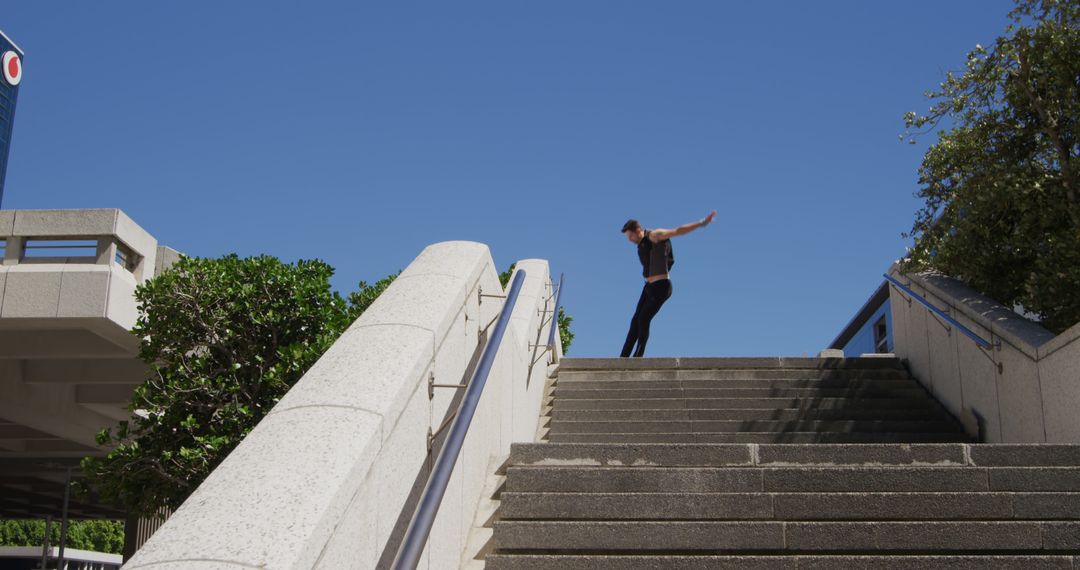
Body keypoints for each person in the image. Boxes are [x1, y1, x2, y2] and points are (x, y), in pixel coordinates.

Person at [620, 210, 716, 357]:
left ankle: (638, 357)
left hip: (661, 287)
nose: (629, 240)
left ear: (638, 230)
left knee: (644, 318)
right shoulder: (641, 245)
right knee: (635, 321)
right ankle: (623, 358)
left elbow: (678, 231)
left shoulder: (655, 235)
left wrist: (701, 223)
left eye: (630, 236)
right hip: (648, 287)